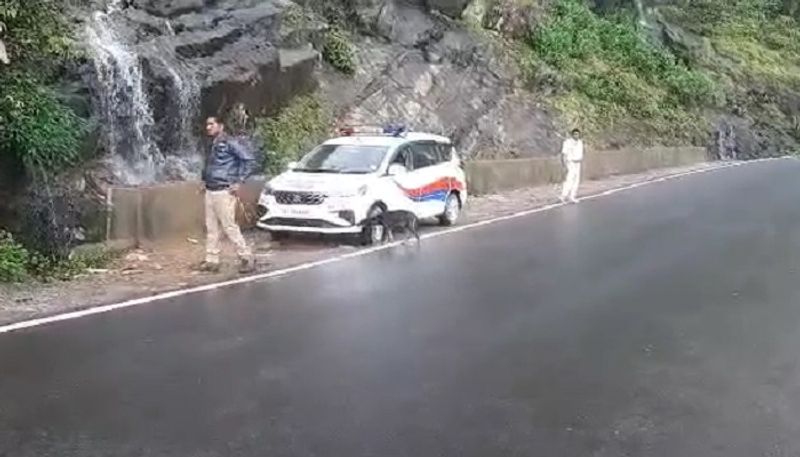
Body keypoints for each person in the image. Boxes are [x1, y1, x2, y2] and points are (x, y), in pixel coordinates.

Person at [197, 116, 256, 274]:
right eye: (207, 124)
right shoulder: (212, 144)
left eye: (211, 124)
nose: (208, 127)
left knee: (229, 226)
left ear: (221, 126)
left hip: (224, 190)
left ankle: (246, 257)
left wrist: (239, 181)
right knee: (211, 227)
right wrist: (204, 181)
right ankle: (212, 260)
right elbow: (209, 165)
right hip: (211, 189)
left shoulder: (229, 142)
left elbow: (248, 160)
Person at [560, 128, 584, 203]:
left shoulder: (580, 142)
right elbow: (564, 154)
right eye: (575, 134)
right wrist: (564, 164)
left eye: (577, 134)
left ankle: (572, 196)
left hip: (578, 162)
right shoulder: (567, 142)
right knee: (569, 179)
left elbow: (581, 152)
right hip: (570, 162)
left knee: (576, 181)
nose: (576, 136)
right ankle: (563, 196)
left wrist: (580, 159)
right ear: (572, 135)